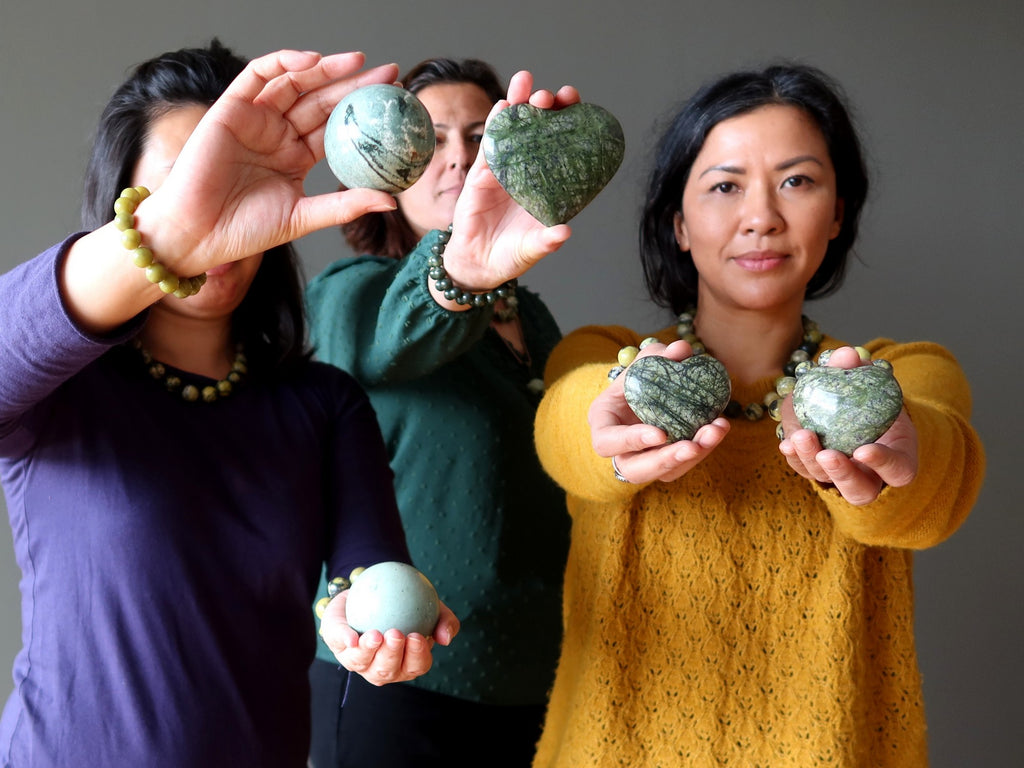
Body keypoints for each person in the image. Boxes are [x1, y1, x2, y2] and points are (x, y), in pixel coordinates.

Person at [0, 40, 460, 768]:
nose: (214, 214)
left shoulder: (323, 405)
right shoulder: (59, 391)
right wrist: (169, 242)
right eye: (184, 189)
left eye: (228, 189)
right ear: (124, 204)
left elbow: (369, 574)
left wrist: (370, 628)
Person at [530, 63, 985, 767]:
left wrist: (890, 456)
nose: (762, 217)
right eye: (724, 186)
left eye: (797, 181)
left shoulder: (905, 372)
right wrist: (614, 433)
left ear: (837, 212)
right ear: (679, 224)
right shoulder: (607, 359)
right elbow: (572, 422)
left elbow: (928, 477)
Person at [305, 58, 573, 767]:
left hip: (538, 685)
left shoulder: (532, 318)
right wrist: (459, 273)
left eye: (481, 137)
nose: (458, 156)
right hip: (396, 680)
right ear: (385, 169)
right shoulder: (353, 293)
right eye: (432, 139)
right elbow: (390, 338)